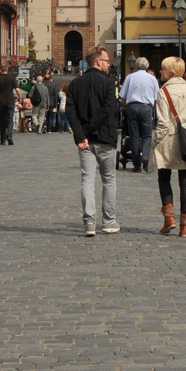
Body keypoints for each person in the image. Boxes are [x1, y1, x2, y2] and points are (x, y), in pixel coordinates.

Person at [66, 46, 121, 237]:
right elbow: (108, 110)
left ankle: (89, 223)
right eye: (106, 61)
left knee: (87, 180)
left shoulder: (74, 84)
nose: (109, 64)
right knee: (108, 179)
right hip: (105, 138)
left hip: (85, 142)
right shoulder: (108, 83)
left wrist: (81, 135)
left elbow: (70, 112)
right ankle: (109, 221)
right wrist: (88, 130)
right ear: (98, 62)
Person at [154, 55, 186, 238]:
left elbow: (163, 123)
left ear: (171, 72)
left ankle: (169, 220)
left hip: (168, 139)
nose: (160, 71)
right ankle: (185, 227)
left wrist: (154, 142)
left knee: (164, 177)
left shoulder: (163, 92)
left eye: (163, 68)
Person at [120, 57, 158, 173]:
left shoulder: (130, 77)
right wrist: (153, 109)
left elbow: (122, 96)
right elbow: (156, 98)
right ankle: (146, 156)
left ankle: (137, 165)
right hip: (147, 107)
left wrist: (126, 106)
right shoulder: (152, 79)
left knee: (134, 136)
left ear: (136, 65)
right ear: (147, 66)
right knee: (147, 135)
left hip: (133, 107)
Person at [0, 64, 19, 145]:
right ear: (7, 70)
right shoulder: (12, 78)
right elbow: (17, 89)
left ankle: (2, 139)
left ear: (0, 70)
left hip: (1, 102)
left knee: (2, 121)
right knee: (10, 120)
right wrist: (20, 97)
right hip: (10, 101)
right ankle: (9, 136)